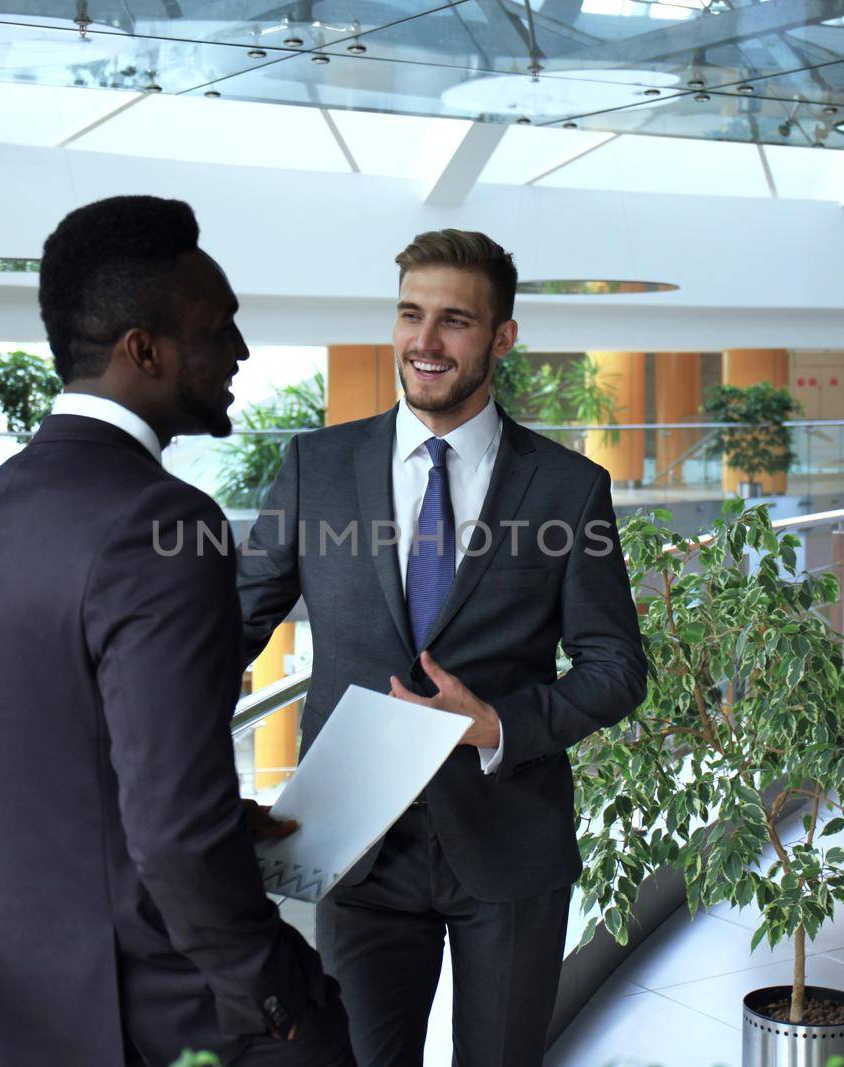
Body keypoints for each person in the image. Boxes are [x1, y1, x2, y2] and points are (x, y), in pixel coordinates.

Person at [0, 195, 352, 1067]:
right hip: (159, 1017)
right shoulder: (166, 526)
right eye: (220, 326)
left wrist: (205, 814)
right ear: (144, 350)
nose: (240, 351)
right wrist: (277, 995)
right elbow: (174, 834)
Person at [235, 229, 651, 1065]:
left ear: (502, 338)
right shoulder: (316, 467)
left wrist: (496, 722)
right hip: (356, 848)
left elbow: (616, 669)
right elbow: (232, 627)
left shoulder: (569, 489)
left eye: (454, 321)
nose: (425, 342)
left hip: (508, 849)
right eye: (410, 315)